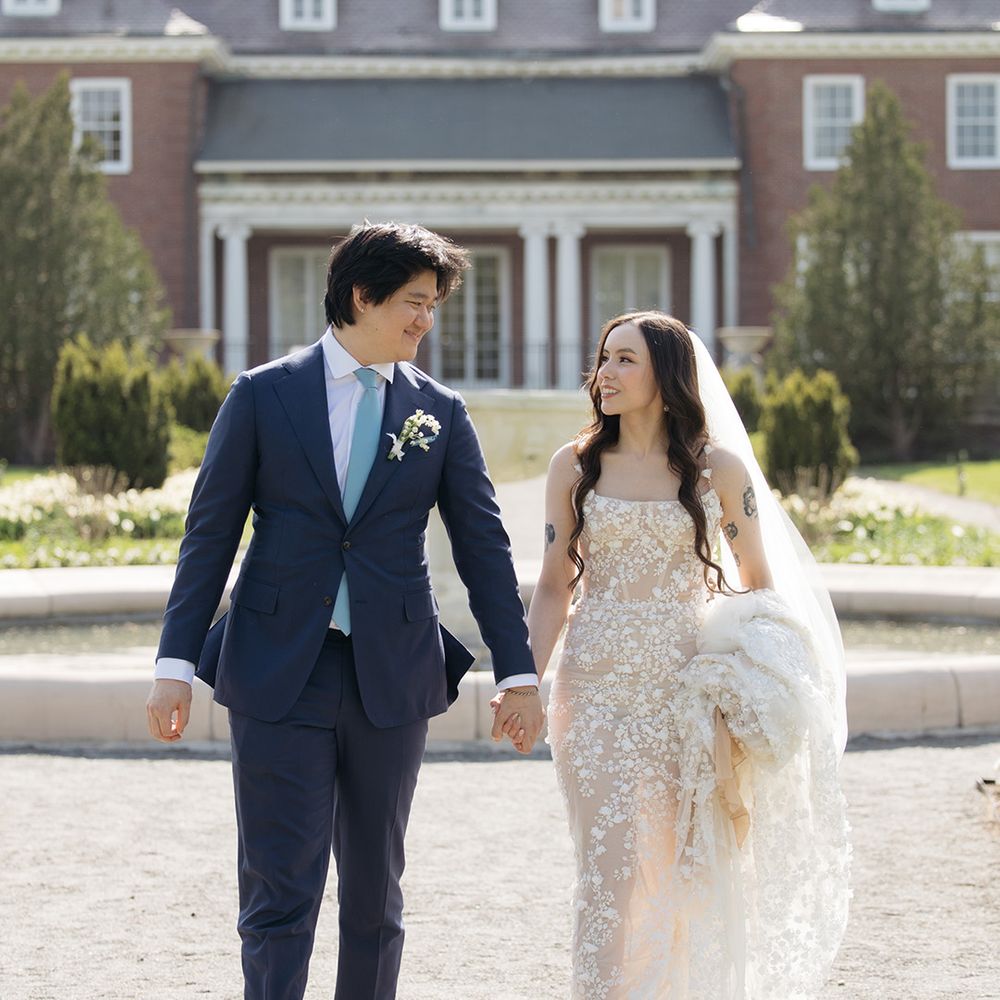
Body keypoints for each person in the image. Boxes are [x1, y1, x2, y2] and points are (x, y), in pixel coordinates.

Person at [145, 222, 544, 1000]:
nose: (427, 320)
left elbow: (485, 552)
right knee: (277, 891)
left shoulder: (442, 413)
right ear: (361, 296)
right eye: (414, 302)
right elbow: (209, 536)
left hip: (391, 679)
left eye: (433, 304)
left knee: (375, 899)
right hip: (274, 673)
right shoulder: (262, 395)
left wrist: (520, 672)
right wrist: (174, 666)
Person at [518, 311, 850, 998]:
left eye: (625, 360)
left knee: (677, 869)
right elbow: (552, 585)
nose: (604, 373)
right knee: (608, 867)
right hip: (593, 692)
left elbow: (762, 588)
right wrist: (525, 680)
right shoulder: (573, 465)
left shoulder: (717, 470)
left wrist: (747, 686)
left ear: (666, 377)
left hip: (682, 699)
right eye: (604, 358)